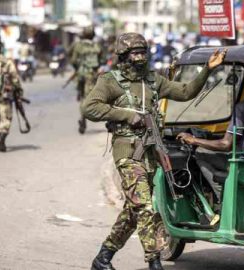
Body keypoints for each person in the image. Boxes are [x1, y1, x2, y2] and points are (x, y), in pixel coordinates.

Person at [82, 32, 227, 270]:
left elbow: (185, 92)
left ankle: (103, 257)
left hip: (150, 155)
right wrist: (128, 116)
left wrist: (208, 70)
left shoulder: (153, 80)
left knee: (133, 211)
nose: (140, 58)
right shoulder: (110, 81)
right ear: (124, 56)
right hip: (128, 154)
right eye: (135, 53)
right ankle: (154, 261)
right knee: (146, 207)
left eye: (143, 52)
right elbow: (90, 108)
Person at [177, 65, 244, 156]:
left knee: (201, 151)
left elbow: (226, 144)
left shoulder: (242, 108)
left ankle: (222, 183)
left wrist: (194, 140)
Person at [67, 25, 102, 134]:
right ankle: (83, 117)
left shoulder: (78, 45)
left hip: (80, 75)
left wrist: (78, 68)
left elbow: (72, 59)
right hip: (91, 76)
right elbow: (100, 60)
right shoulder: (97, 46)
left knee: (82, 96)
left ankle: (82, 117)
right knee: (88, 98)